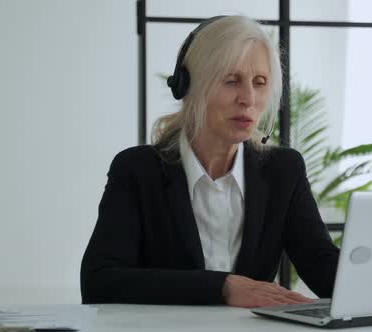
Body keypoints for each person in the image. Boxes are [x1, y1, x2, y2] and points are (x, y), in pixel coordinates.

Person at [80, 15, 339, 308]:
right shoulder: (138, 170)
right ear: (188, 85)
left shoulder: (283, 170)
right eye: (231, 81)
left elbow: (323, 268)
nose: (248, 98)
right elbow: (99, 282)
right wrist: (222, 288)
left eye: (260, 82)